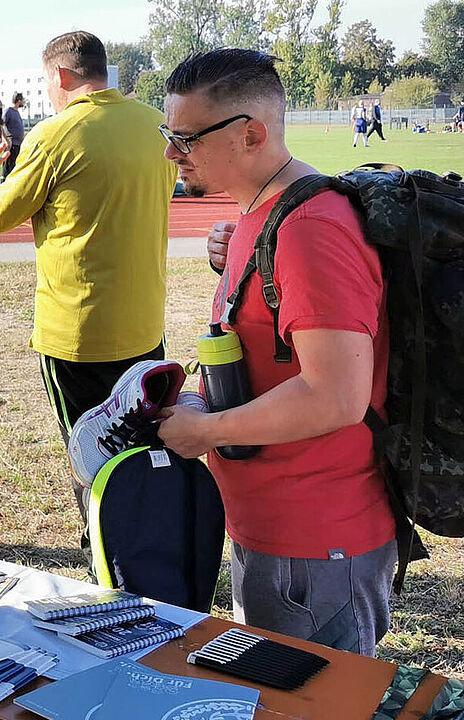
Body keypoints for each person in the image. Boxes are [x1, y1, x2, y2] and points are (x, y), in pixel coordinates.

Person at [156, 49, 396, 657]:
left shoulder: (310, 229)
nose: (170, 154)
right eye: (169, 134)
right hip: (278, 529)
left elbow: (336, 394)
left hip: (313, 542)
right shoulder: (261, 216)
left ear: (252, 134)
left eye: (185, 138)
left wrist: (207, 429)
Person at [0, 30, 175, 557]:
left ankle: (107, 550)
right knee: (144, 440)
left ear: (60, 76)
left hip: (77, 332)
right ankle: (152, 540)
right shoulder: (155, 125)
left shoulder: (56, 133)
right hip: (143, 322)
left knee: (91, 450)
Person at [1, 93, 26, 181]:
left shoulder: (17, 112)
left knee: (14, 166)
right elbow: (2, 125)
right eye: (22, 100)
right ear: (19, 101)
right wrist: (6, 140)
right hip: (11, 143)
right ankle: (3, 181)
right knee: (8, 166)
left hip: (18, 144)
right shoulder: (9, 111)